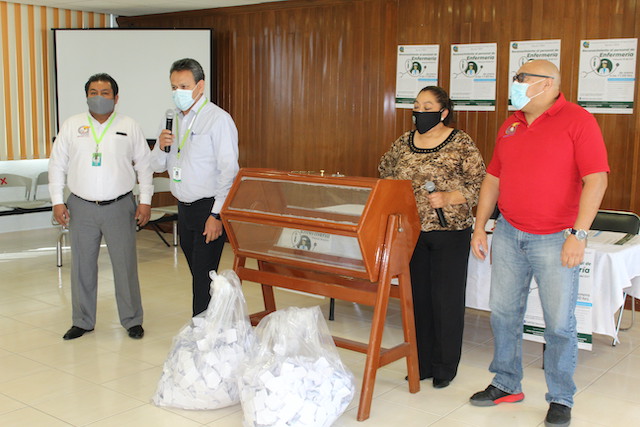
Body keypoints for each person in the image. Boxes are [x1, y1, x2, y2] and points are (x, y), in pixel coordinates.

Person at [469, 60, 609, 427]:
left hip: (556, 238)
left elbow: (596, 180)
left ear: (546, 84)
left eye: (521, 78)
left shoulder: (579, 121)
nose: (514, 84)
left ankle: (561, 397)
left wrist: (579, 234)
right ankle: (506, 383)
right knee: (503, 315)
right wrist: (480, 226)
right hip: (509, 233)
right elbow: (493, 179)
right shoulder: (511, 124)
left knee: (559, 324)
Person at [379, 86, 486, 389]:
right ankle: (421, 362)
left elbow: (481, 182)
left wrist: (451, 196)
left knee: (446, 300)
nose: (419, 112)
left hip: (449, 232)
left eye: (427, 107)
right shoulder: (404, 142)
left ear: (443, 112)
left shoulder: (460, 142)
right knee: (418, 300)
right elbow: (384, 171)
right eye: (416, 106)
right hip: (411, 232)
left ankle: (444, 366)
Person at [49, 73, 152, 340]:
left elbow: (144, 165)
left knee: (125, 265)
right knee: (82, 266)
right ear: (86, 97)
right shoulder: (72, 125)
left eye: (105, 93)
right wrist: (57, 201)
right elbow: (57, 165)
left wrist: (145, 201)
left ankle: (132, 319)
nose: (99, 98)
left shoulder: (129, 125)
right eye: (93, 93)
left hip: (120, 206)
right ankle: (82, 320)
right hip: (81, 206)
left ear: (116, 98)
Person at [150, 58, 239, 317]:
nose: (178, 92)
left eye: (184, 86)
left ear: (200, 86)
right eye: (174, 87)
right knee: (200, 274)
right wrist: (160, 146)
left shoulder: (217, 119)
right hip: (184, 208)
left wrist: (216, 215)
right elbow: (156, 164)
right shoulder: (170, 119)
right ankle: (218, 320)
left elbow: (229, 171)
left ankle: (201, 330)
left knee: (202, 276)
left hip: (208, 208)